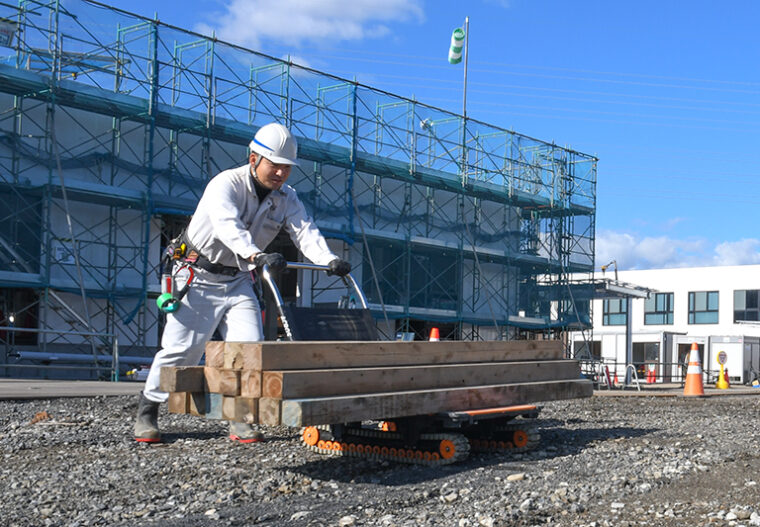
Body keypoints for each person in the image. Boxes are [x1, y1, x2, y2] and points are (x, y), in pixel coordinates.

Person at [134, 122, 351, 443]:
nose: (280, 174)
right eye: (274, 165)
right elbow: (227, 227)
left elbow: (305, 231)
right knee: (182, 351)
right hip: (199, 276)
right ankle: (147, 410)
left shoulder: (287, 198)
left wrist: (328, 260)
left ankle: (240, 418)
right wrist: (256, 254)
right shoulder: (225, 185)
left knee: (250, 350)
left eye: (286, 168)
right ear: (253, 159)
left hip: (237, 280)